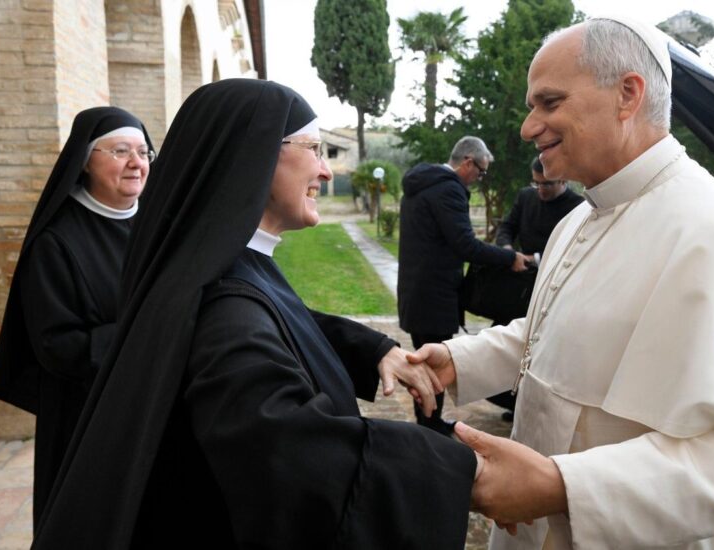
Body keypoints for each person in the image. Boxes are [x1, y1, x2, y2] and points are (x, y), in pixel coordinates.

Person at [408, 15, 714, 549]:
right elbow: (547, 335)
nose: (528, 127)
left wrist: (563, 487)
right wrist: (457, 360)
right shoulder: (578, 219)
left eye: (549, 103)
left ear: (627, 94)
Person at [30, 79, 478, 549]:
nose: (325, 171)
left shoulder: (233, 265)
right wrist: (461, 472)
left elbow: (284, 316)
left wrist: (375, 349)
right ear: (259, 152)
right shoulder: (224, 300)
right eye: (315, 148)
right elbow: (291, 454)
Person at [0, 107, 155, 525]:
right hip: (87, 417)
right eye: (120, 151)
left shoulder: (159, 227)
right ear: (84, 159)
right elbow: (58, 347)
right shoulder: (56, 244)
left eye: (143, 151)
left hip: (155, 407)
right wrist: (154, 333)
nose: (137, 163)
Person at [397, 136, 529, 435]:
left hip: (416, 288)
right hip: (434, 293)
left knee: (426, 357)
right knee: (432, 361)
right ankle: (429, 425)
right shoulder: (448, 190)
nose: (479, 178)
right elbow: (465, 245)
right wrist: (509, 258)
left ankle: (428, 421)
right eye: (480, 171)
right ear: (468, 162)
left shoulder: (422, 184)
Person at [487, 157, 583, 419]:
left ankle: (526, 405)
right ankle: (510, 402)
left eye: (547, 184)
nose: (540, 189)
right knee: (507, 342)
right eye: (536, 183)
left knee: (539, 352)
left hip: (553, 288)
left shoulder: (579, 207)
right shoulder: (526, 197)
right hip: (517, 285)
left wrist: (536, 259)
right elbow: (507, 227)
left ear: (563, 179)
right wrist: (507, 250)